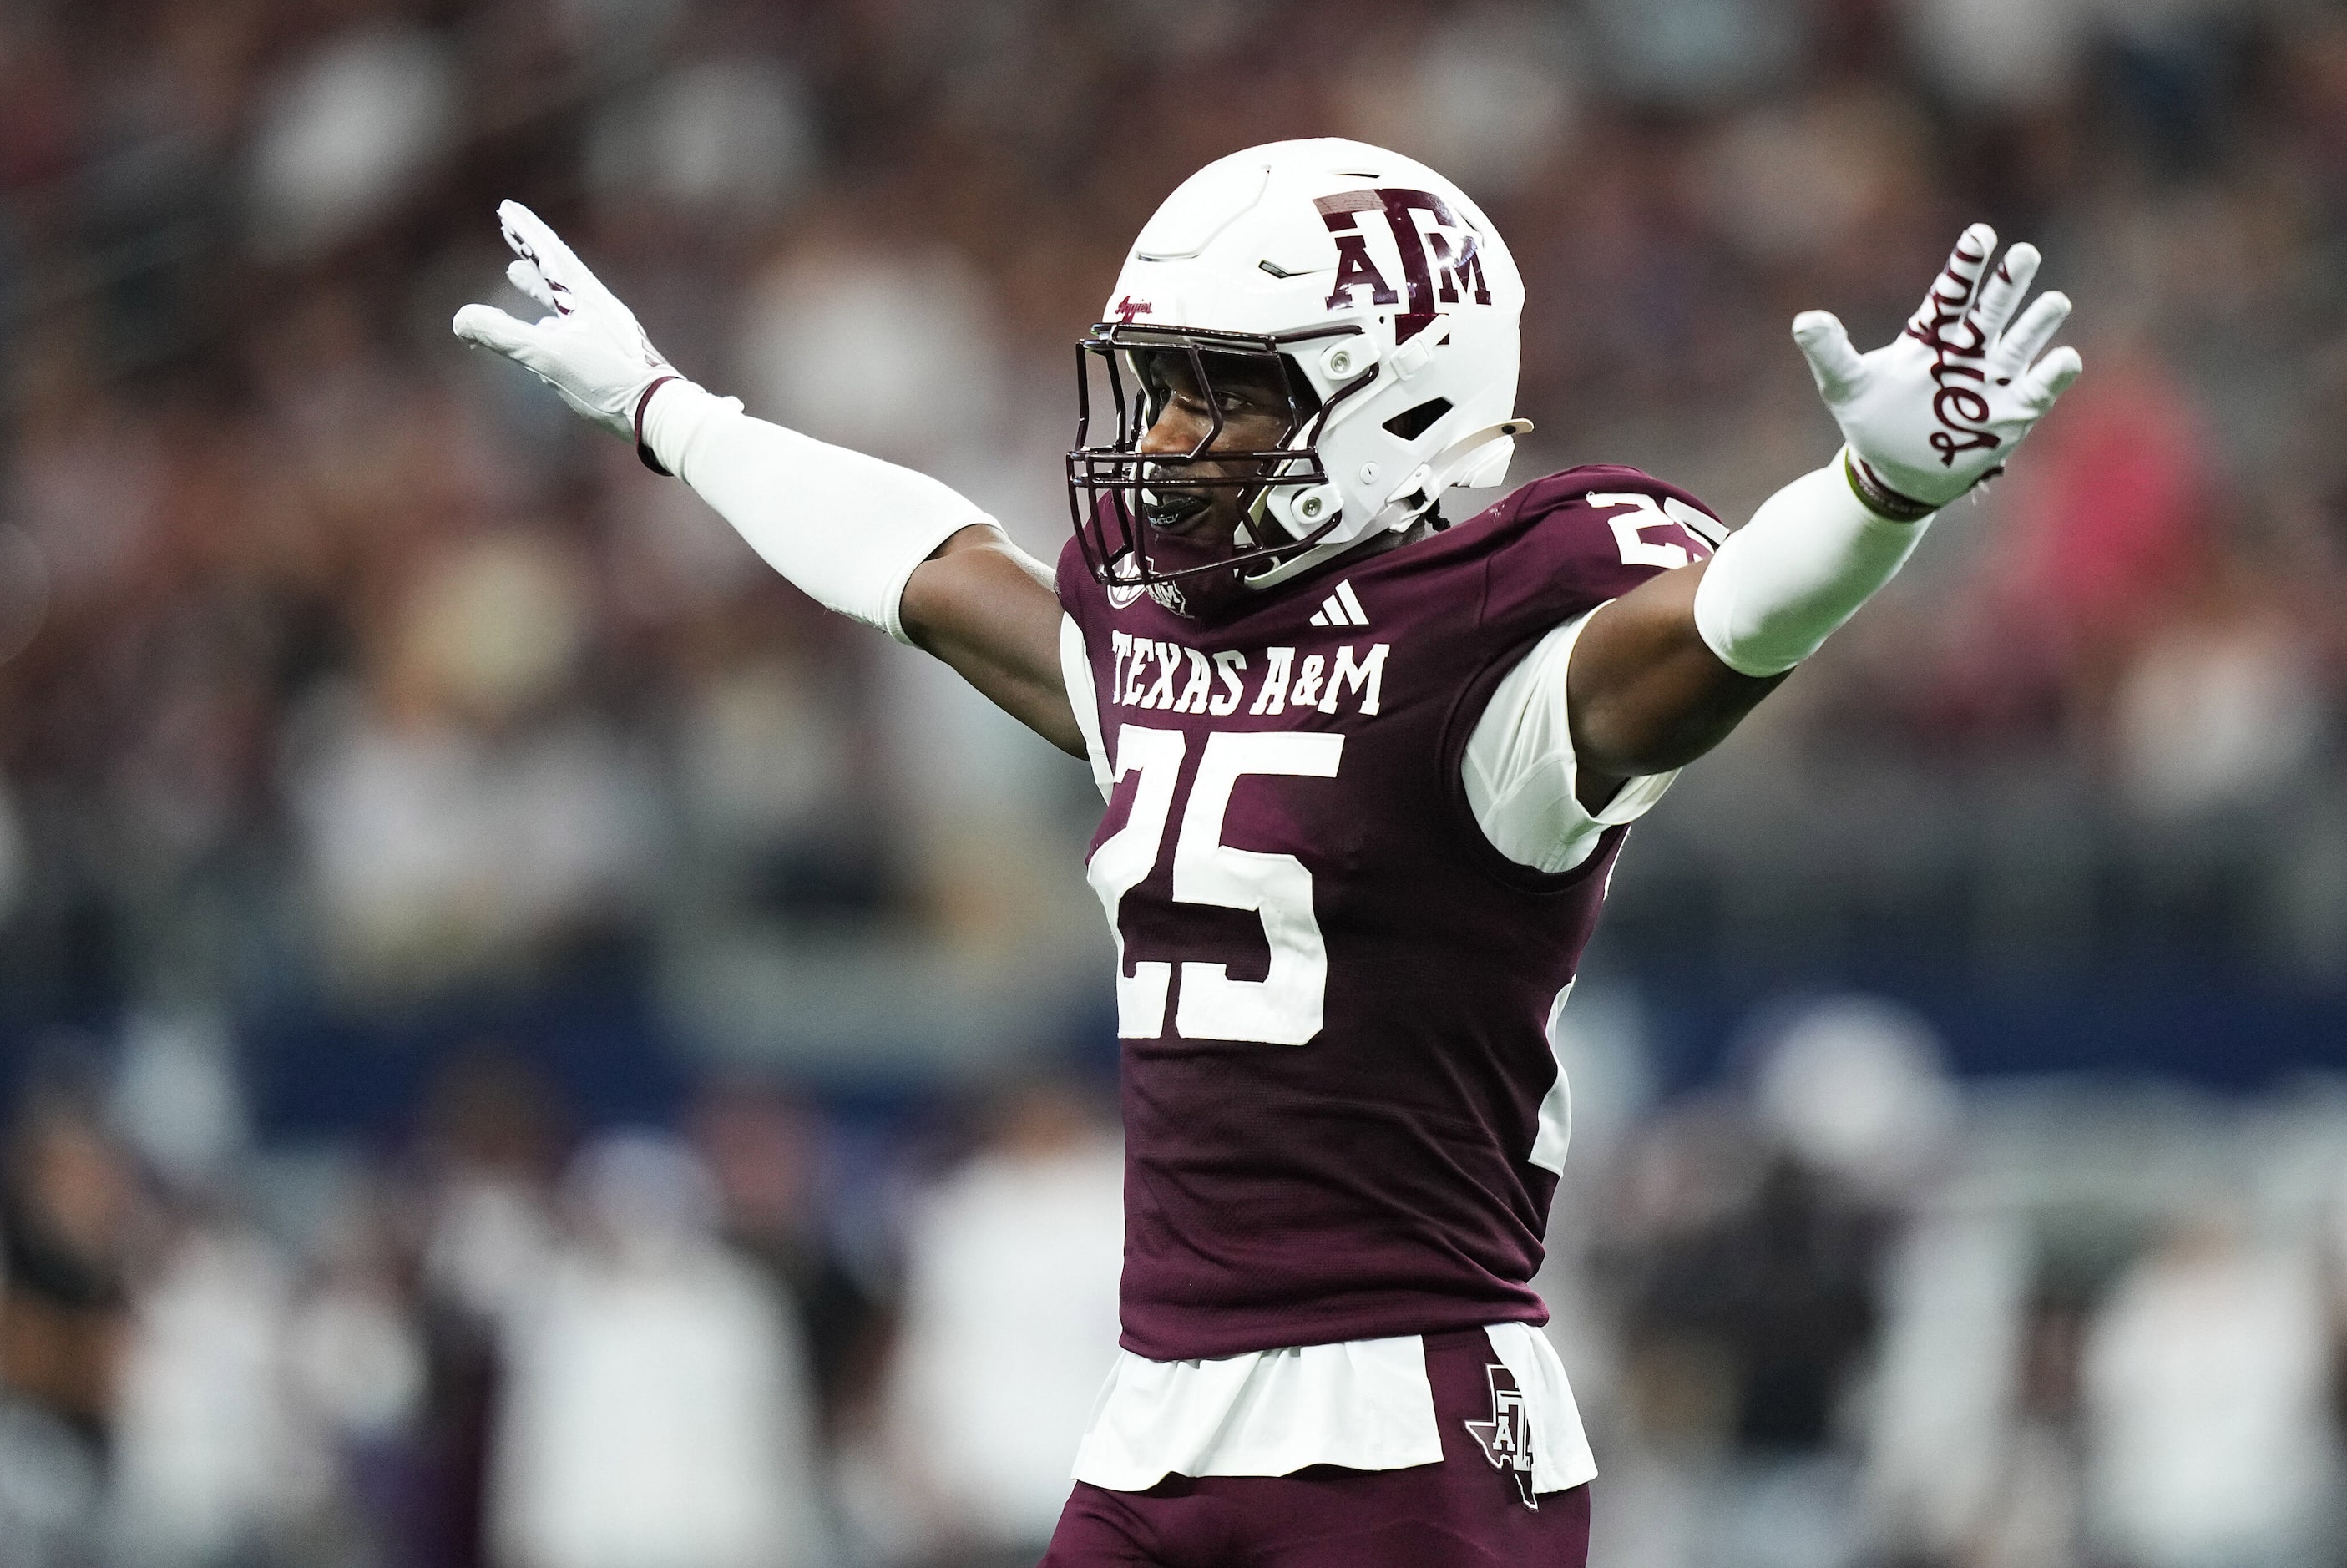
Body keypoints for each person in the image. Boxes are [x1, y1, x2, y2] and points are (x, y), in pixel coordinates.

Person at [453, 139, 2081, 1567]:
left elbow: (1721, 630)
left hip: (1405, 1417)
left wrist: (1874, 497)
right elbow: (925, 570)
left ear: (1403, 400)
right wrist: (674, 413)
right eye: (1162, 385)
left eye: (1226, 392)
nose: (1164, 439)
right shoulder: (1155, 644)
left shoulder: (1487, 674)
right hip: (1155, 1410)